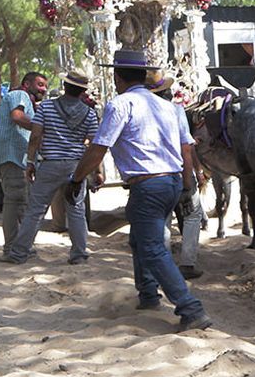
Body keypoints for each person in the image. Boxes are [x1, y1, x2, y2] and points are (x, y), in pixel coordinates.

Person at [69, 50, 211, 332]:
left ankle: (190, 308)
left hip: (147, 184)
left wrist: (76, 179)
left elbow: (99, 148)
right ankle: (148, 294)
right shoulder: (172, 108)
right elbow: (186, 148)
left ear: (117, 76)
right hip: (169, 181)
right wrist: (185, 185)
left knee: (152, 246)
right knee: (141, 239)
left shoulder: (121, 104)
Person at [1, 70, 99, 265]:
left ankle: (19, 253)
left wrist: (30, 162)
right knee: (76, 210)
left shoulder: (47, 107)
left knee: (36, 210)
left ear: (65, 87)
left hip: (50, 164)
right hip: (76, 166)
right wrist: (96, 172)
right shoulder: (89, 114)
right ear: (82, 91)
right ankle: (79, 254)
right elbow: (95, 144)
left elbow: (36, 136)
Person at [147, 74, 205, 279]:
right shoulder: (175, 111)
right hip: (176, 172)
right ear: (167, 94)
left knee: (162, 219)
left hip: (150, 174)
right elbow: (186, 148)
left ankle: (163, 265)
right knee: (193, 214)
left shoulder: (141, 111)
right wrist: (189, 181)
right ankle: (187, 263)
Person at [0, 71, 49, 255]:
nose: (43, 89)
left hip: (14, 157)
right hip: (12, 155)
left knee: (21, 202)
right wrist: (41, 127)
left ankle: (20, 245)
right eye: (39, 85)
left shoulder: (28, 102)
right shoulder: (19, 95)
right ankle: (12, 248)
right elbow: (17, 116)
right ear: (27, 84)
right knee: (15, 201)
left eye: (45, 86)